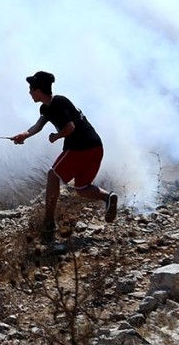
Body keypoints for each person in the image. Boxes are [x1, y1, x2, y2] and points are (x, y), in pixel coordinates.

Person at [10, 71, 118, 238]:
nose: (29, 92)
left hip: (80, 147)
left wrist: (56, 137)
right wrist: (24, 135)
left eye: (31, 88)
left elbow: (70, 127)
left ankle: (48, 223)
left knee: (53, 176)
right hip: (96, 146)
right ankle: (108, 198)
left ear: (39, 91)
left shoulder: (58, 103)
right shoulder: (46, 107)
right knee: (82, 188)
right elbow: (38, 125)